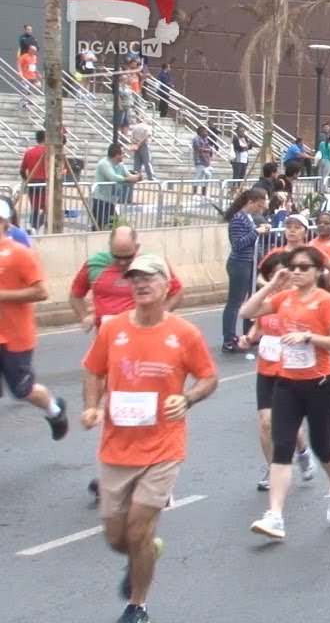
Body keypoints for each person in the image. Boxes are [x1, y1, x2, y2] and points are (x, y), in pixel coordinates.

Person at [80, 254, 218, 623]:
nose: (140, 284)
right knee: (116, 537)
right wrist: (92, 407)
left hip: (163, 446)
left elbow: (208, 378)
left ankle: (137, 606)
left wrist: (187, 397)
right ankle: (143, 554)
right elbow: (93, 371)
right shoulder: (113, 329)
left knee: (139, 525)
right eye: (134, 279)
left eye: (148, 278)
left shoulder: (184, 333)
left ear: (166, 285)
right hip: (116, 446)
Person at [241, 246, 330, 539]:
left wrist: (308, 337)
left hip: (321, 384)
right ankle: (275, 516)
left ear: (318, 271)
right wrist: (271, 287)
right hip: (287, 383)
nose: (298, 271)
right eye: (294, 266)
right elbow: (247, 311)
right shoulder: (284, 298)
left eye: (304, 267)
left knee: (322, 445)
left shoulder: (326, 301)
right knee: (282, 445)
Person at [237, 251, 313, 491]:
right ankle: (273, 469)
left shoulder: (301, 301)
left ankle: (303, 451)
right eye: (274, 275)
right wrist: (248, 339)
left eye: (283, 274)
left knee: (288, 425)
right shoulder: (267, 301)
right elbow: (256, 328)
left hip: (290, 369)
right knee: (266, 422)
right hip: (267, 369)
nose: (280, 279)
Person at [0, 197, 69, 440]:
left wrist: (2, 295)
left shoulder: (19, 254)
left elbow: (41, 291)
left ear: (5, 223)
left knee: (23, 390)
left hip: (14, 336)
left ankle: (55, 410)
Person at [69, 227, 185, 332]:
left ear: (137, 247)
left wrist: (162, 313)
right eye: (117, 257)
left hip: (142, 334)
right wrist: (84, 316)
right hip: (106, 337)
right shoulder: (94, 264)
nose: (122, 262)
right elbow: (75, 294)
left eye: (128, 257)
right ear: (110, 247)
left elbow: (177, 290)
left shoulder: (151, 263)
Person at [221, 188, 272, 353]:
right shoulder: (238, 219)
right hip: (239, 264)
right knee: (234, 302)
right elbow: (238, 244)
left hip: (249, 262)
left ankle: (249, 333)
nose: (259, 210)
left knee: (252, 299)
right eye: (258, 206)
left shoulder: (247, 218)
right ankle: (229, 339)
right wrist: (256, 232)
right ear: (250, 203)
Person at [91, 143, 143, 232]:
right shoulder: (104, 163)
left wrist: (138, 177)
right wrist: (131, 179)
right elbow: (114, 177)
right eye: (122, 153)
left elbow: (129, 175)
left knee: (113, 225)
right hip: (100, 201)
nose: (124, 155)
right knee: (100, 226)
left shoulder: (120, 165)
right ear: (116, 154)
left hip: (111, 201)